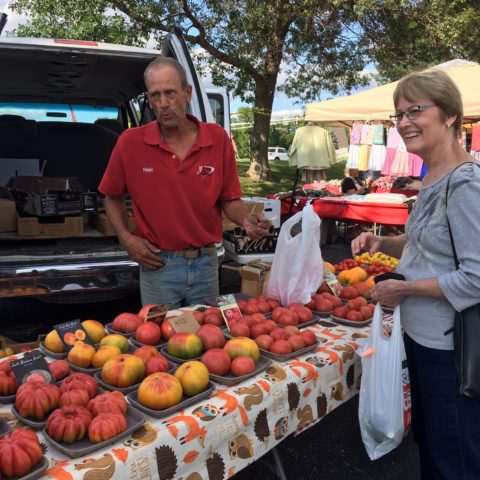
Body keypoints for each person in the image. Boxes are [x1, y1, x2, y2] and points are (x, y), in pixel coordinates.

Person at [352, 69, 480, 479]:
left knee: (455, 458)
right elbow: (428, 249)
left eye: (416, 110)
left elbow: (476, 278)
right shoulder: (432, 179)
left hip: (453, 353)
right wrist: (382, 245)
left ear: (449, 116)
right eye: (398, 114)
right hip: (422, 341)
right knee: (433, 447)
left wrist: (405, 288)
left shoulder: (466, 185)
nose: (404, 122)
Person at [98, 57, 271, 308]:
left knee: (207, 339)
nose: (164, 104)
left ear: (187, 93)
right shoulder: (130, 143)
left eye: (170, 93)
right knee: (160, 342)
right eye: (156, 96)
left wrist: (246, 219)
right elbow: (111, 196)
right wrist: (126, 238)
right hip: (158, 264)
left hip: (206, 263)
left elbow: (228, 199)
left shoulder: (217, 139)